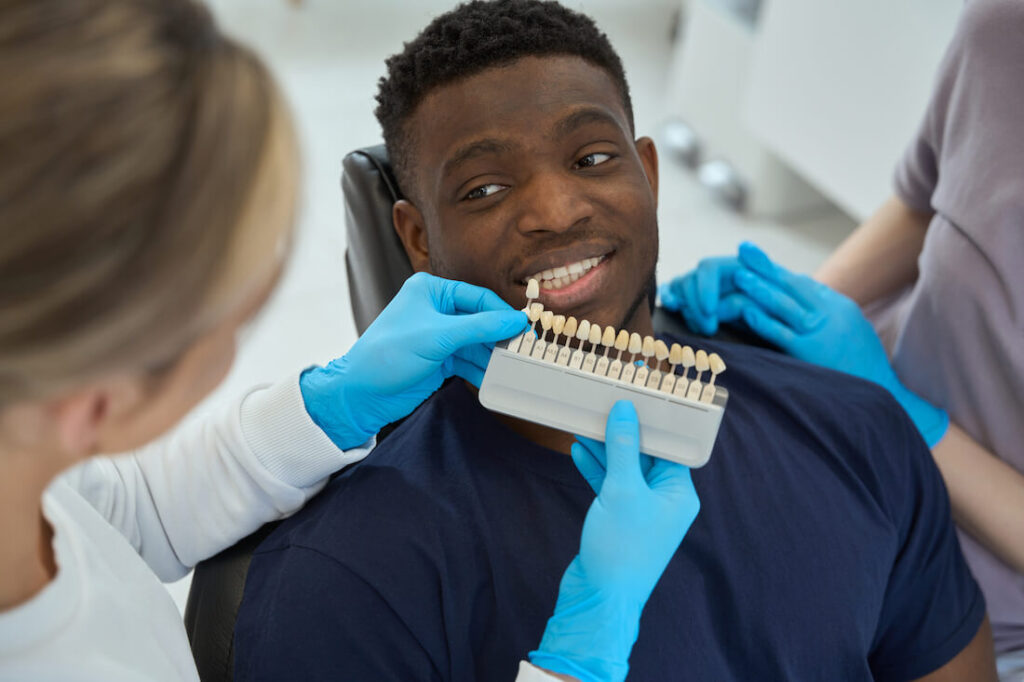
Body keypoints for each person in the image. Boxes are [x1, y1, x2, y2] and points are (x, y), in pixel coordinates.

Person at [232, 1, 998, 679]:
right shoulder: (345, 580)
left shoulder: (857, 437)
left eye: (592, 159)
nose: (557, 210)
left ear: (650, 176)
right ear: (418, 240)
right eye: (485, 188)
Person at [0, 2, 701, 681]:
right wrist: (581, 651)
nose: (553, 210)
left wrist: (328, 403)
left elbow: (120, 512)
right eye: (234, 313)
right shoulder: (345, 582)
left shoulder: (31, 469)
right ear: (98, 400)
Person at [661, 0, 1024, 670]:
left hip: (983, 613)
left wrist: (907, 417)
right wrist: (788, 312)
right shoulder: (1003, 31)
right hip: (844, 457)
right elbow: (925, 203)